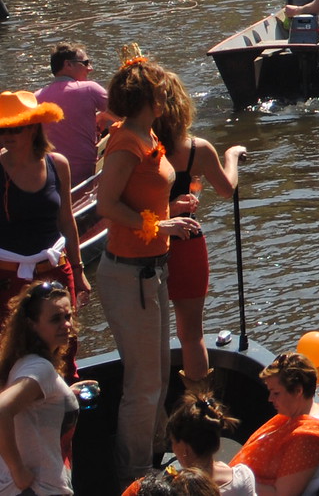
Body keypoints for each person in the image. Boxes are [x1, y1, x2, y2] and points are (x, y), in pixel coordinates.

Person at [96, 51, 200, 485]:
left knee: (157, 374)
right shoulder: (125, 143)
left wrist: (169, 208)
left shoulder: (146, 135)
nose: (167, 97)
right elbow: (106, 205)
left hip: (152, 267)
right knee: (143, 386)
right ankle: (134, 477)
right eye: (161, 91)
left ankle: (155, 458)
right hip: (128, 273)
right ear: (148, 97)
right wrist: (160, 223)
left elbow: (141, 196)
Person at [153, 72, 244, 394]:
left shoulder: (136, 148)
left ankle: (155, 403)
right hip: (187, 242)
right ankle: (200, 404)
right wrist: (231, 156)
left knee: (151, 334)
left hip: (145, 244)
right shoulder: (197, 150)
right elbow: (225, 189)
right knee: (191, 335)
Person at [0, 93, 86, 327]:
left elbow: (67, 220)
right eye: (2, 130)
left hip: (56, 270)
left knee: (65, 345)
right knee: (12, 352)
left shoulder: (58, 164)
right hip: (7, 278)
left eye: (15, 129)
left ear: (32, 128)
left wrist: (78, 270)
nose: (7, 135)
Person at [0, 279, 75, 496]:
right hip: (39, 489)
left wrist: (66, 395)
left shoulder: (24, 362)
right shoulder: (40, 369)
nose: (66, 324)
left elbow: (32, 411)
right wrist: (18, 471)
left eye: (68, 316)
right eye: (55, 319)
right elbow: (2, 410)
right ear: (32, 324)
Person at [235, 351, 319, 496]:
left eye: (276, 393)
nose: (270, 399)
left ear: (298, 391)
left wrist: (233, 480)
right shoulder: (305, 414)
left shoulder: (308, 438)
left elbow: (282, 494)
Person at [153, 393, 258, 496]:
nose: (173, 448)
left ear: (185, 448)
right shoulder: (244, 477)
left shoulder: (178, 490)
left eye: (174, 442)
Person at [32, 47, 105, 180]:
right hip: (85, 174)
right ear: (68, 64)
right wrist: (104, 116)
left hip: (50, 176)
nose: (90, 68)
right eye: (85, 63)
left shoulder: (35, 98)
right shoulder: (90, 88)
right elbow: (124, 112)